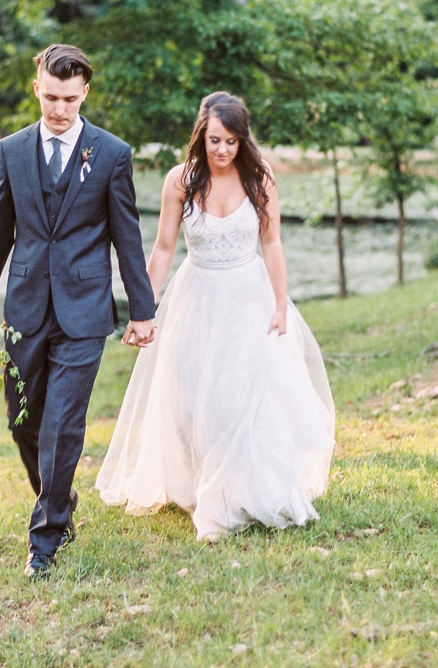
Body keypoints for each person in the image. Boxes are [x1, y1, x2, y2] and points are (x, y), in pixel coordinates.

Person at [96, 92, 335, 540]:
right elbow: (165, 247)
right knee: (194, 397)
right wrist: (143, 308)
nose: (221, 150)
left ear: (242, 141)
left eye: (229, 141)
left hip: (248, 297)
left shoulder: (260, 181)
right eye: (213, 140)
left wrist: (281, 304)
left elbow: (272, 245)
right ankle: (204, 482)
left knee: (241, 394)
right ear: (200, 138)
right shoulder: (180, 181)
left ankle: (237, 490)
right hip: (196, 296)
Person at [0, 43, 159, 579]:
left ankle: (45, 542)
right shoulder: (12, 151)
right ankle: (58, 501)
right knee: (22, 422)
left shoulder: (112, 154)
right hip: (25, 309)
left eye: (70, 100)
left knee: (62, 426)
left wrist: (142, 309)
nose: (59, 110)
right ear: (37, 89)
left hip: (84, 312)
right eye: (51, 97)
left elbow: (128, 236)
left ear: (85, 94)